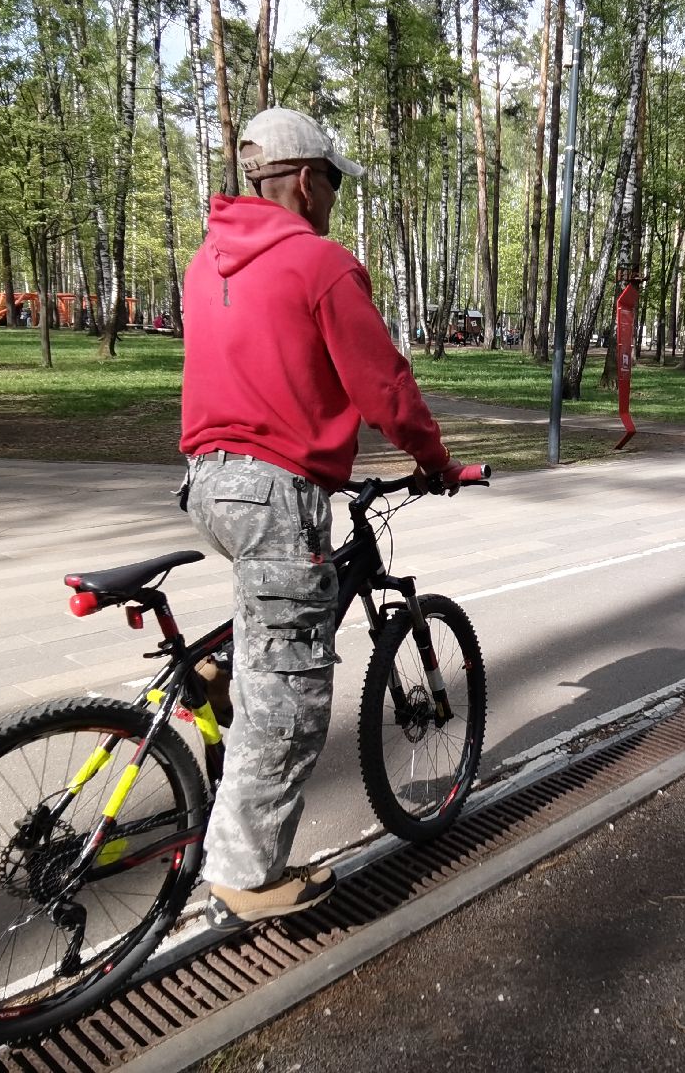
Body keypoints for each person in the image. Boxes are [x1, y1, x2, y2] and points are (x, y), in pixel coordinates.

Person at [178, 107, 464, 931]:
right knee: (295, 692)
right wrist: (434, 461)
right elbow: (384, 387)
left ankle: (221, 667)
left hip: (208, 481)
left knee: (279, 616)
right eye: (333, 181)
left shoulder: (208, 263)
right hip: (274, 491)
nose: (335, 197)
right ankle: (244, 872)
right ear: (307, 179)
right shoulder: (321, 264)